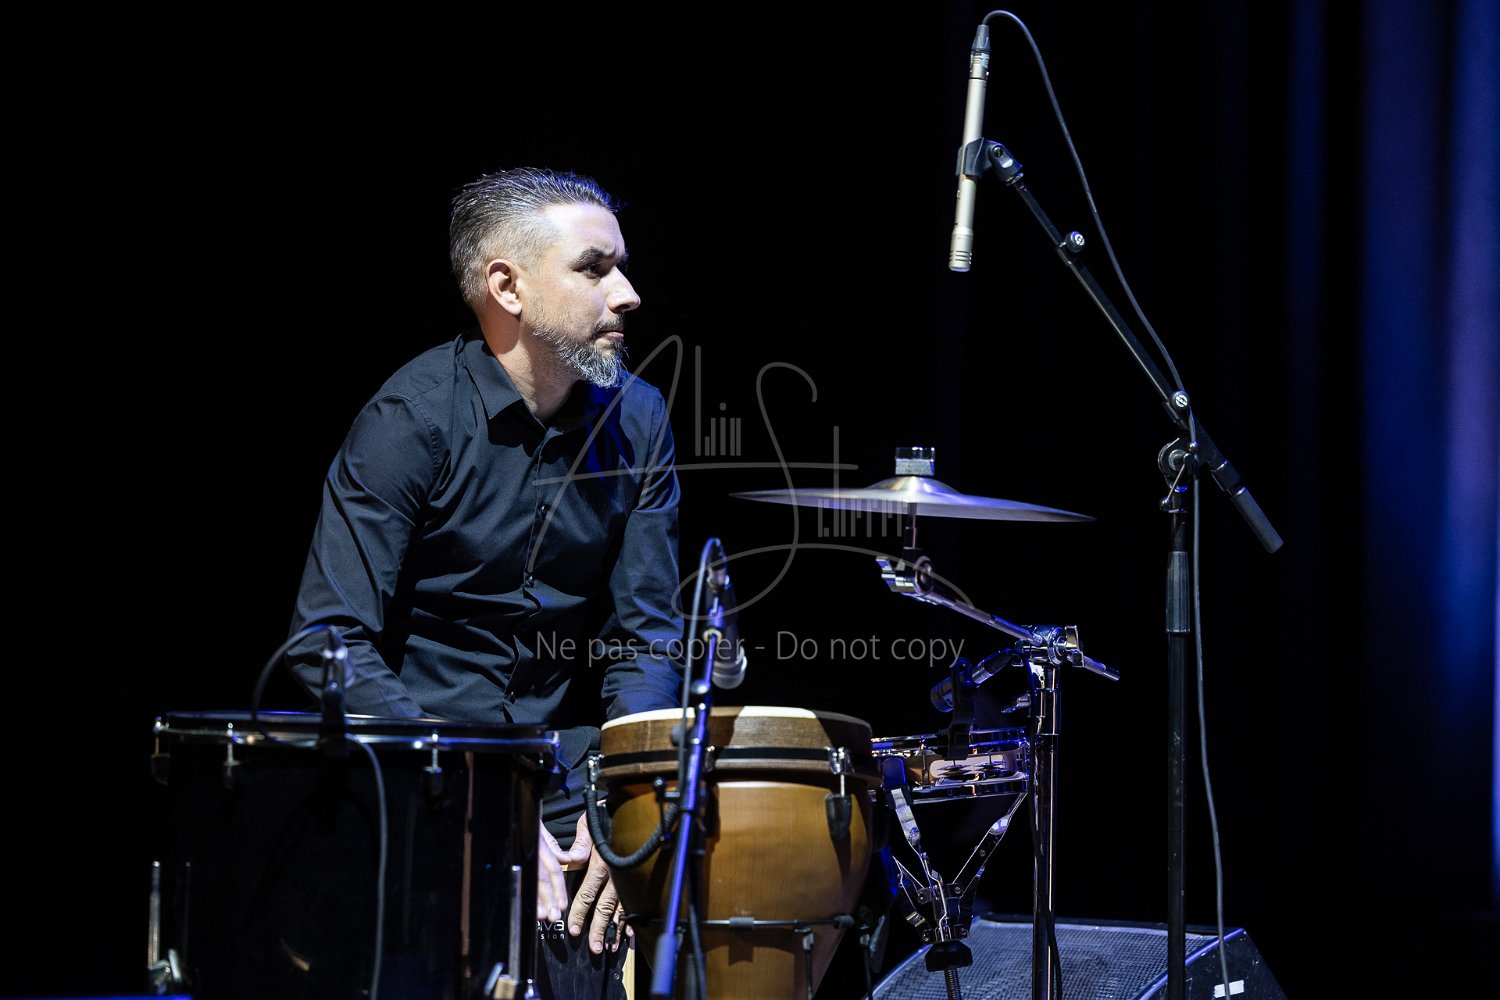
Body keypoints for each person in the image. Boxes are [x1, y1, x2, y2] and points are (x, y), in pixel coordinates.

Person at [284, 167, 685, 985]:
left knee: (628, 908)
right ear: (507, 287)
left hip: (560, 770)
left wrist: (627, 792)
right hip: (419, 760)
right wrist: (472, 792)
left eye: (622, 266)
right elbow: (328, 640)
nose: (628, 293)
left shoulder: (639, 419)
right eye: (595, 268)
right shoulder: (411, 421)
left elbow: (647, 636)